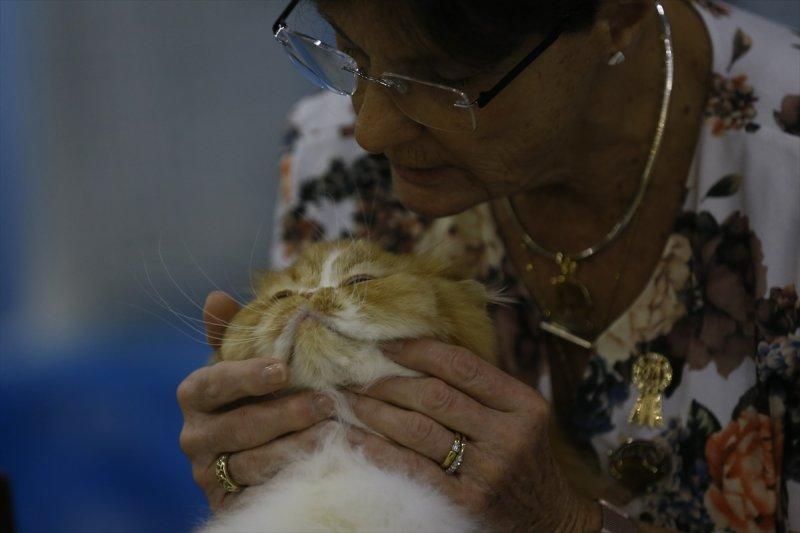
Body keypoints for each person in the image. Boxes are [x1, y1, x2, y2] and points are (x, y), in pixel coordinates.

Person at [177, 0, 799, 530]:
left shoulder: (785, 169)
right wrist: (268, 477)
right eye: (353, 54)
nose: (369, 127)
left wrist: (560, 523)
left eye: (440, 81)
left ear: (618, 14)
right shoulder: (331, 154)